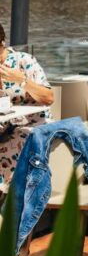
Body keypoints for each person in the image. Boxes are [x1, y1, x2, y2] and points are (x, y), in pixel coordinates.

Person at [0, 22, 54, 187]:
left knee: (16, 141)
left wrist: (21, 80)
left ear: (2, 43)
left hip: (33, 124)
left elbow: (48, 97)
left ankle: (16, 198)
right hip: (3, 127)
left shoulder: (23, 61)